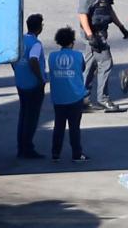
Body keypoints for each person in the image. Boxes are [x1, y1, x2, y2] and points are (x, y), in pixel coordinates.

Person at [77, 0, 128, 113]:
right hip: (95, 34)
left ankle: (82, 99)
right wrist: (90, 36)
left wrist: (121, 27)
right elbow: (82, 14)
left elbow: (109, 10)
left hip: (99, 32)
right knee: (106, 63)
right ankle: (103, 99)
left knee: (90, 66)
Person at [48, 26, 89, 162]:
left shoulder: (52, 57)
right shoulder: (78, 55)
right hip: (75, 96)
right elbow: (82, 68)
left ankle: (55, 153)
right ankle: (77, 154)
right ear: (72, 42)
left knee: (58, 126)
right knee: (74, 128)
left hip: (58, 97)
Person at [14, 13, 46, 159]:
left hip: (21, 83)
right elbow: (33, 61)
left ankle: (21, 146)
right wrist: (40, 78)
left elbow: (12, 58)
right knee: (31, 118)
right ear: (39, 28)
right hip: (33, 85)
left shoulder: (20, 40)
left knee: (23, 115)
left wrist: (17, 70)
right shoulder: (36, 44)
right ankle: (27, 148)